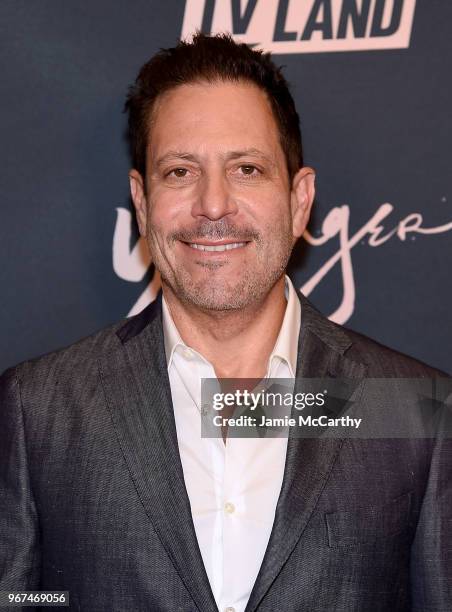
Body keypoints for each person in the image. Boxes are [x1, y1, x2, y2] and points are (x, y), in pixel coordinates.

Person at [0, 32, 450, 612]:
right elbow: (24, 600)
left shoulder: (414, 412)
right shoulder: (38, 410)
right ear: (141, 202)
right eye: (181, 172)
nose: (214, 205)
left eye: (247, 169)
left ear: (299, 199)